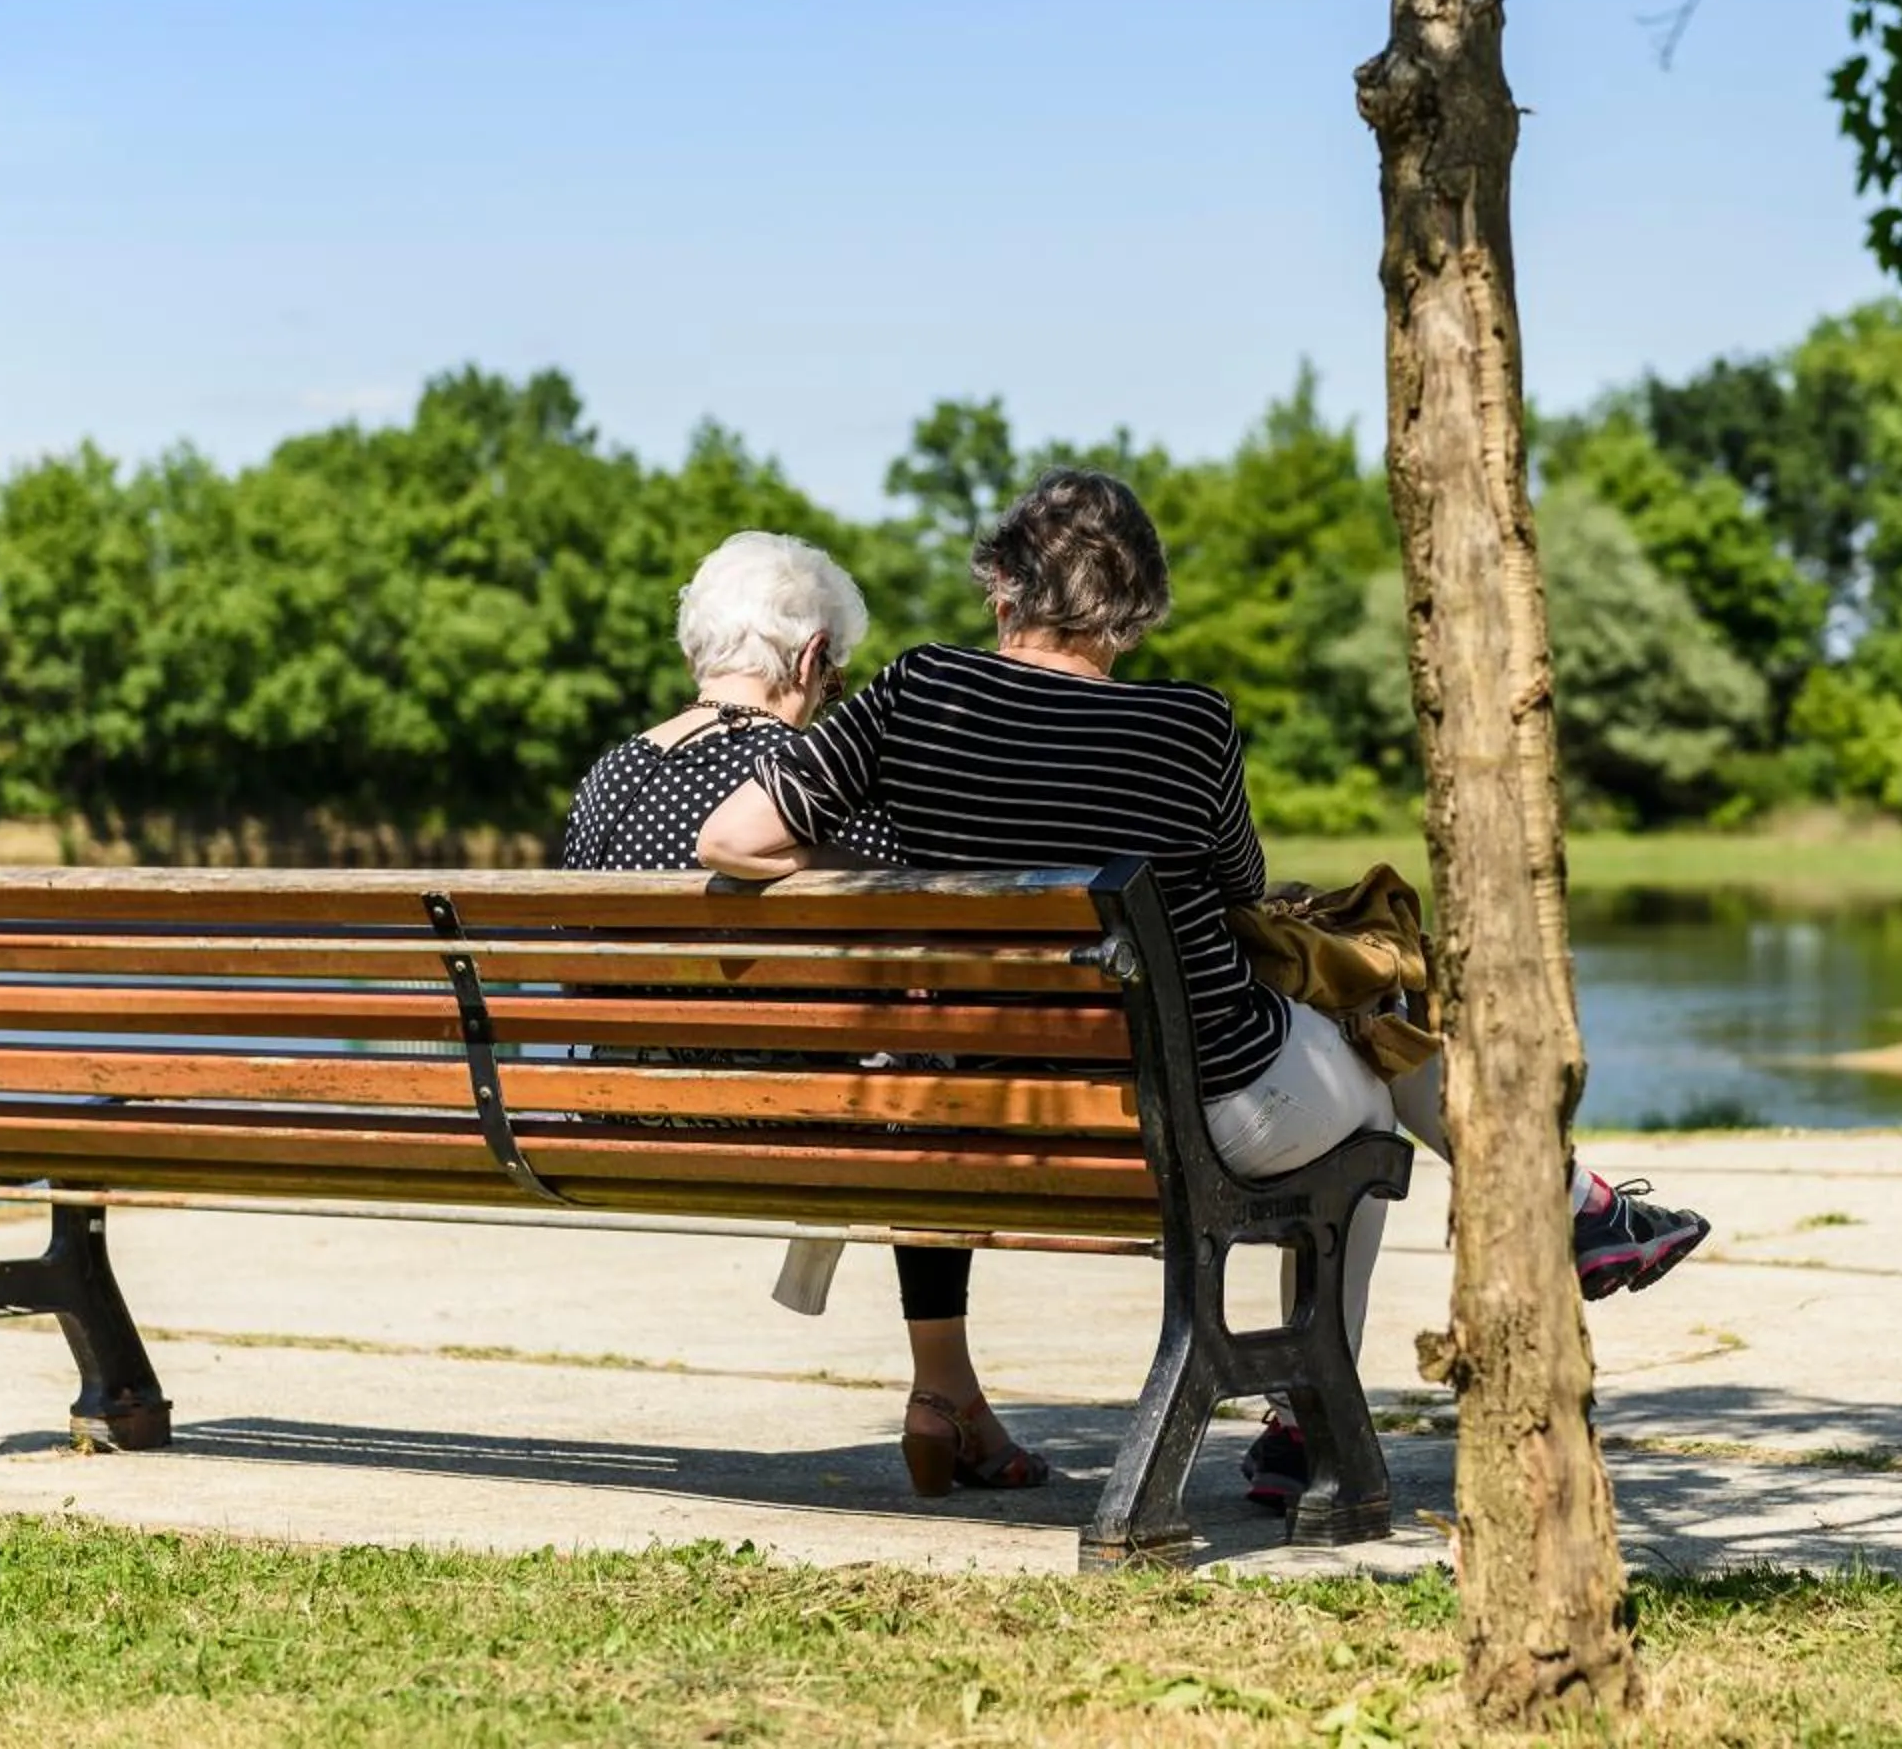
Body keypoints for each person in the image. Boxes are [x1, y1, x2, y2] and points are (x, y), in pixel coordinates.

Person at [697, 469, 1710, 1513]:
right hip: (1193, 1117)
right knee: (1376, 1067)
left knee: (1367, 1050)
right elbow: (1240, 891)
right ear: (1133, 615)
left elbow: (729, 840)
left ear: (1000, 586)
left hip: (991, 1115)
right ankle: (1339, 1391)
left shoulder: (916, 694)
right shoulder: (1190, 728)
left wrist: (913, 884)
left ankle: (1562, 1209)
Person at [560, 529, 1046, 1497]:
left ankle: (959, 1399)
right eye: (839, 673)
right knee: (930, 1071)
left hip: (612, 1111)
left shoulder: (610, 775)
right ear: (815, 658)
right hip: (806, 1121)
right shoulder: (816, 772)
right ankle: (943, 1388)